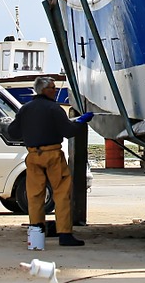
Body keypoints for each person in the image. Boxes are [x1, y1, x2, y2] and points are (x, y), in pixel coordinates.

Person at [7, 76, 93, 247]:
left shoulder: (25, 109)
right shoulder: (54, 108)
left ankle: (37, 229)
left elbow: (12, 132)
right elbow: (68, 131)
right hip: (52, 154)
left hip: (33, 155)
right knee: (62, 193)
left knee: (35, 194)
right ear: (44, 90)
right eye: (53, 88)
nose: (55, 91)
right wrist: (81, 122)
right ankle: (65, 234)